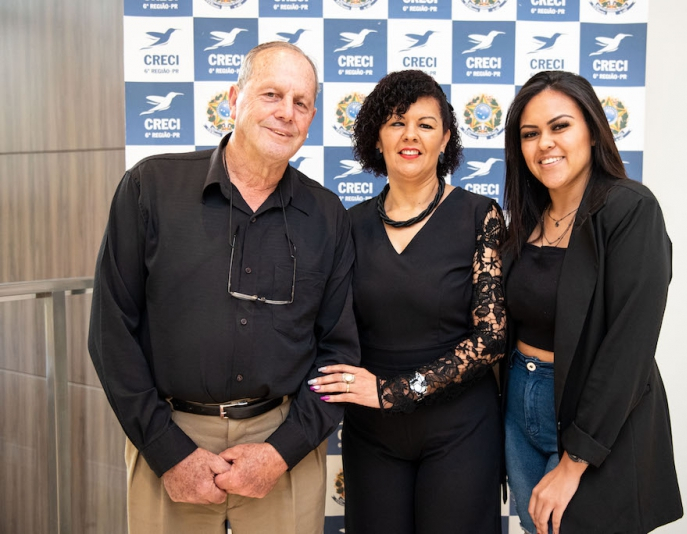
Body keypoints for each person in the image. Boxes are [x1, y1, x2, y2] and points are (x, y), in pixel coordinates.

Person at [88, 42, 359, 534]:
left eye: (301, 103)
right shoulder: (150, 187)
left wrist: (282, 452)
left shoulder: (326, 216)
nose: (286, 112)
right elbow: (111, 334)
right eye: (272, 94)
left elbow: (338, 357)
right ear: (234, 98)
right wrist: (168, 452)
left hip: (283, 447)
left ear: (312, 118)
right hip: (169, 438)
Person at [308, 70, 506, 533]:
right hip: (372, 432)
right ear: (377, 138)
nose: (410, 135)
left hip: (461, 428)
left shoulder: (480, 215)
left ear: (446, 138)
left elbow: (492, 338)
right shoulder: (348, 225)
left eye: (425, 124)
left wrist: (394, 392)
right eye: (396, 122)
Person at [501, 70, 682, 534]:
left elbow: (629, 346)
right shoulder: (527, 218)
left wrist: (575, 461)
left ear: (593, 131)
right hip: (520, 406)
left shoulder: (630, 208)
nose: (545, 143)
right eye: (530, 134)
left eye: (560, 126)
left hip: (593, 419)